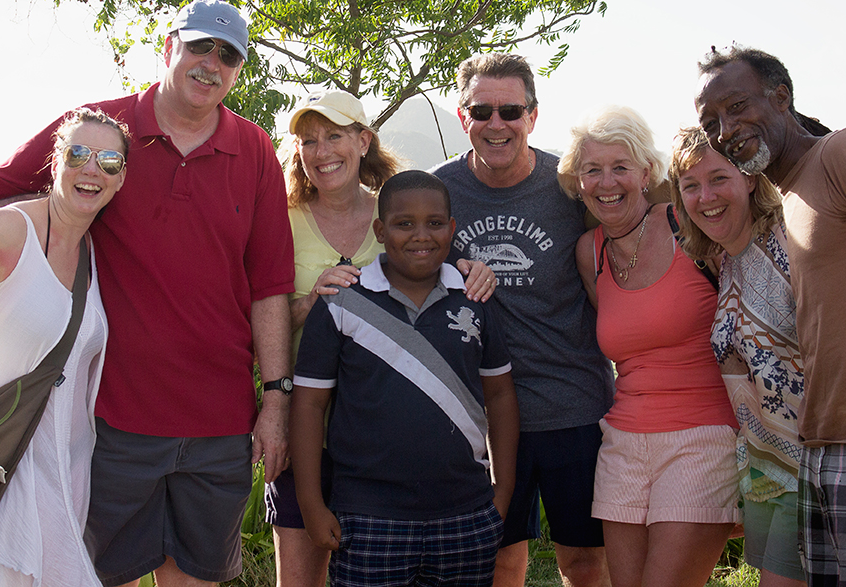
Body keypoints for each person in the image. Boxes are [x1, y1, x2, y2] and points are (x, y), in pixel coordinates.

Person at [0, 0, 295, 587]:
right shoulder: (99, 135)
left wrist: (276, 404)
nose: (211, 63)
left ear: (239, 69)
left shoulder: (255, 149)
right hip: (110, 418)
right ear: (169, 47)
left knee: (197, 579)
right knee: (101, 577)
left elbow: (269, 287)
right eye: (199, 47)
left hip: (219, 421)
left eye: (228, 55)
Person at [696, 45, 846, 587]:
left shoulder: (843, 153)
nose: (725, 130)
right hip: (825, 444)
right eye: (711, 122)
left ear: (781, 97)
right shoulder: (789, 196)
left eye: (737, 107)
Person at [272, 91, 496, 587]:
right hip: (304, 425)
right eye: (308, 140)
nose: (322, 151)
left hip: (380, 443)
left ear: (363, 141)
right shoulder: (279, 220)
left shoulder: (399, 211)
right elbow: (256, 319)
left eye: (334, 136)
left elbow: (440, 265)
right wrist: (312, 301)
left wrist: (473, 269)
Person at [431, 52, 615, 587]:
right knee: (495, 559)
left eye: (510, 111)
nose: (497, 124)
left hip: (573, 406)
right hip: (479, 414)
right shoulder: (438, 191)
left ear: (533, 116)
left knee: (584, 562)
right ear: (462, 116)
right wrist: (449, 268)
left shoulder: (569, 186)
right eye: (481, 111)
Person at [557, 107, 738, 587]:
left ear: (646, 173)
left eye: (620, 167)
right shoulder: (589, 251)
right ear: (578, 182)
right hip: (622, 442)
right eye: (592, 170)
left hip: (703, 435)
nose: (606, 182)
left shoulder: (689, 225)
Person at [0, 108, 130, 586]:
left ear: (120, 179)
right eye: (78, 154)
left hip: (67, 475)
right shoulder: (9, 231)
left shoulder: (92, 253)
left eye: (109, 161)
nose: (91, 169)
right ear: (55, 162)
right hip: (5, 467)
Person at [669, 126, 806, 587]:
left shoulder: (791, 242)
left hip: (811, 466)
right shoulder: (726, 260)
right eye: (690, 186)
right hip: (764, 467)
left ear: (749, 177)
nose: (705, 197)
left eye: (718, 179)